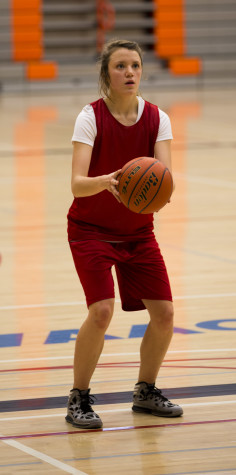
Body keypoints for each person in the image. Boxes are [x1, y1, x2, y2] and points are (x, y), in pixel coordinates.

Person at [65, 39, 183, 429]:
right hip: (91, 231)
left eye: (134, 65)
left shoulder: (157, 118)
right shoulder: (91, 117)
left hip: (137, 233)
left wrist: (153, 191)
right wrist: (104, 181)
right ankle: (78, 397)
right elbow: (77, 185)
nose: (129, 72)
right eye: (120, 66)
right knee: (100, 312)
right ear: (107, 74)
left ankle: (146, 391)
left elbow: (163, 181)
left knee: (164, 314)